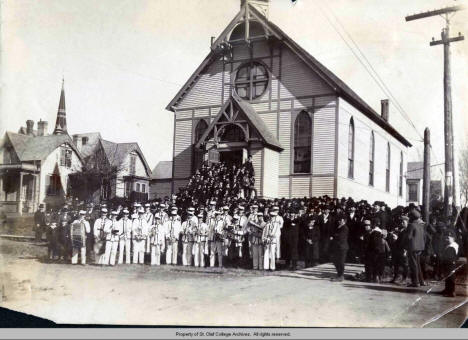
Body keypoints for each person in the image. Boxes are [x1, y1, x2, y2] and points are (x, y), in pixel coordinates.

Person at [405, 209, 427, 287]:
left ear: (411, 217)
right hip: (420, 247)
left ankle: (415, 282)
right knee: (418, 264)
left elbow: (408, 237)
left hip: (412, 247)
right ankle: (421, 281)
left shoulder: (411, 225)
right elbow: (424, 237)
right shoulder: (421, 225)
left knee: (413, 265)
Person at [439, 230, 459, 297]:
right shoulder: (451, 245)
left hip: (450, 264)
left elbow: (450, 257)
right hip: (449, 264)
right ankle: (447, 289)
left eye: (448, 238)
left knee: (450, 277)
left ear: (453, 238)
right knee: (447, 277)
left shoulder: (452, 246)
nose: (446, 239)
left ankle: (451, 291)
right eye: (446, 238)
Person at [329, 213, 349, 282]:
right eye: (339, 220)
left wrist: (333, 236)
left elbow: (340, 237)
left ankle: (341, 276)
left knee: (341, 262)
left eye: (341, 220)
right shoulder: (339, 227)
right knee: (335, 260)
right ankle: (339, 274)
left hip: (342, 247)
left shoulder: (345, 228)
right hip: (337, 247)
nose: (339, 221)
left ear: (344, 220)